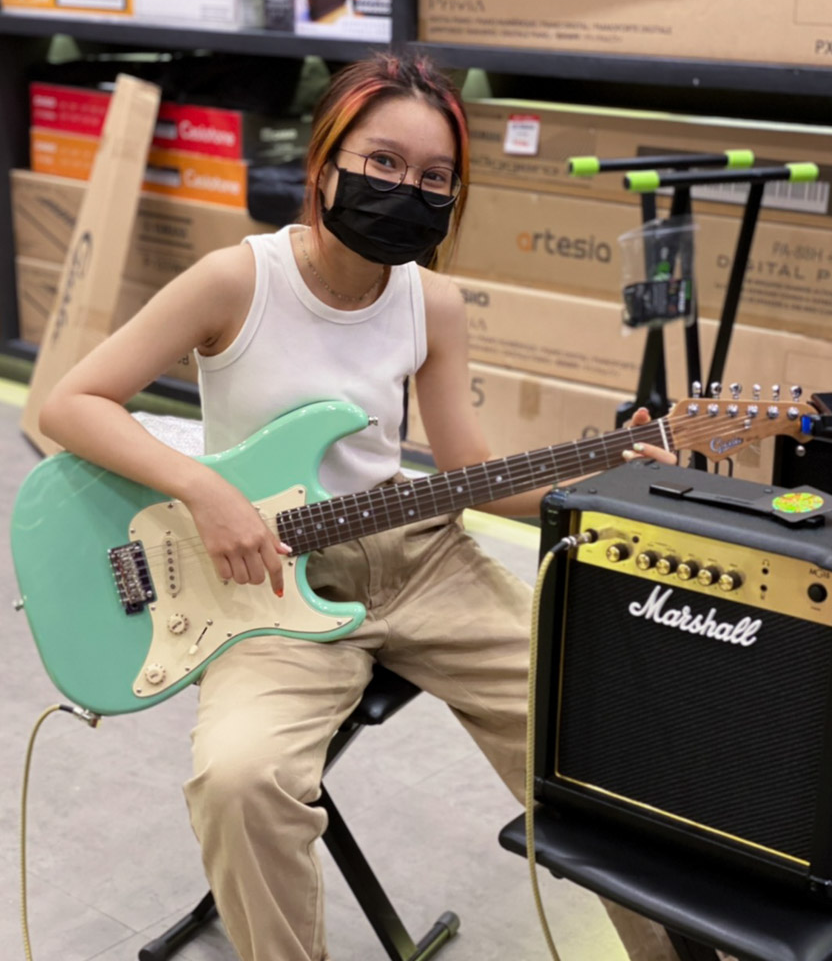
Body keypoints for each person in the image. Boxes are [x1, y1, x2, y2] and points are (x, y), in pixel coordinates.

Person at [39, 52, 679, 961]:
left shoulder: (432, 303)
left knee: (597, 736)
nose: (406, 189)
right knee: (239, 780)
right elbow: (69, 404)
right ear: (325, 158)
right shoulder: (236, 281)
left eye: (435, 177)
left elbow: (472, 473)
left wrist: (608, 473)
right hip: (262, 581)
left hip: (419, 559)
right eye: (383, 161)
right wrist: (205, 489)